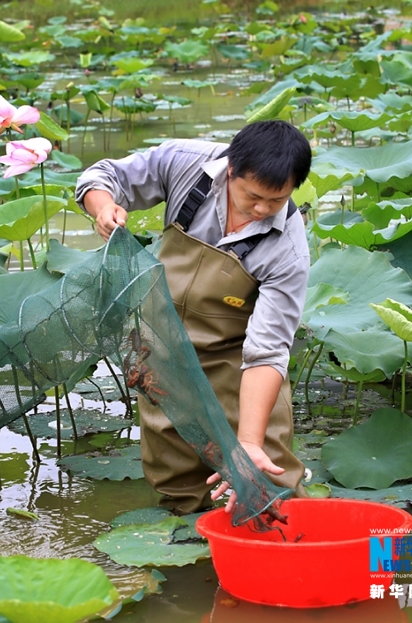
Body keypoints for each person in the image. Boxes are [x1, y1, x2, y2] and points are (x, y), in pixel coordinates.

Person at [75, 120, 312, 514]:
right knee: (179, 486)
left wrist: (248, 443)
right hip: (163, 351)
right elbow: (101, 176)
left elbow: (268, 352)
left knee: (265, 482)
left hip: (234, 362)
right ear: (231, 169)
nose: (261, 210)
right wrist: (104, 208)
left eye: (276, 201)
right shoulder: (185, 164)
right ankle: (193, 561)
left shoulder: (288, 249)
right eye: (252, 196)